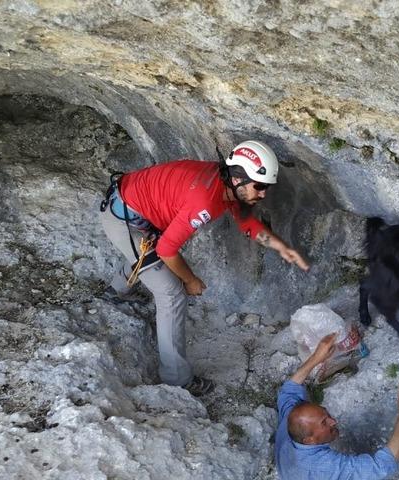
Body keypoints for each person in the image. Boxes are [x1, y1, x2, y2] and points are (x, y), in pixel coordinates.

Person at [99, 140, 309, 395]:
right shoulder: (205, 200)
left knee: (144, 255)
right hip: (125, 220)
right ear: (239, 179)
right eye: (260, 186)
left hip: (138, 213)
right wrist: (190, 280)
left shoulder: (224, 184)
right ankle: (177, 379)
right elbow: (166, 250)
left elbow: (246, 224)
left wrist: (281, 247)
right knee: (171, 292)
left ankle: (114, 292)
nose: (263, 193)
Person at [276, 333, 399, 480]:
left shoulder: (291, 419)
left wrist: (316, 358)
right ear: (309, 441)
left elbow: (289, 389)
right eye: (324, 423)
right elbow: (382, 466)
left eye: (326, 415)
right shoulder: (324, 468)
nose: (333, 421)